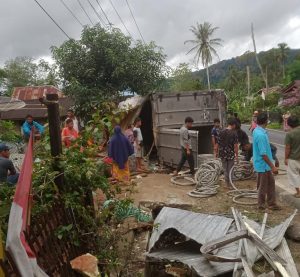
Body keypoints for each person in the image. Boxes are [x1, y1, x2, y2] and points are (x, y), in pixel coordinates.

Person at [253, 113, 280, 210]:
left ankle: (272, 203)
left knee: (271, 183)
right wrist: (273, 166)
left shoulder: (259, 131)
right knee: (262, 186)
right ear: (265, 121)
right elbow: (263, 154)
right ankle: (261, 205)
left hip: (265, 165)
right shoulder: (260, 135)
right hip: (262, 165)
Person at [216, 118, 239, 187]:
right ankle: (231, 184)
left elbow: (218, 143)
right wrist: (237, 156)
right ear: (234, 125)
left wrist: (216, 152)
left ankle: (227, 184)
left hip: (222, 153)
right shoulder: (234, 133)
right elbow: (235, 146)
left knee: (225, 169)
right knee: (230, 169)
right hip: (230, 154)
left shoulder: (221, 132)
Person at [284, 116, 300, 198]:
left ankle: (299, 192)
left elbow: (288, 147)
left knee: (294, 175)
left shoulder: (290, 134)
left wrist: (286, 158)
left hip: (293, 158)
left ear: (289, 124)